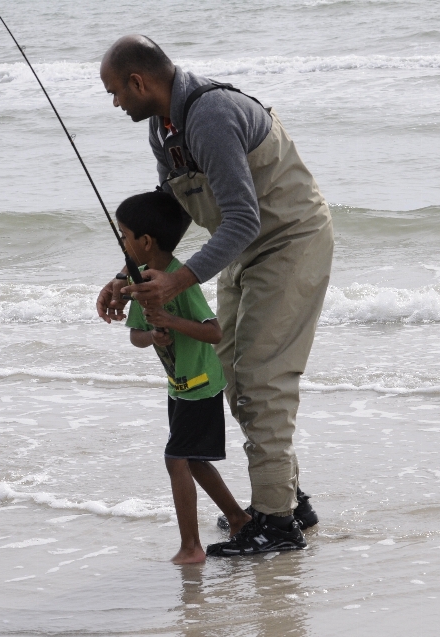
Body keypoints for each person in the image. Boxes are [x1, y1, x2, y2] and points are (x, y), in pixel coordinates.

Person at [96, 35, 333, 556]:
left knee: (261, 379)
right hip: (244, 250)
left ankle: (276, 524)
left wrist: (178, 281)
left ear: (140, 82)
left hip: (290, 241)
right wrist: (127, 275)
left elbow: (246, 216)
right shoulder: (164, 129)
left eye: (115, 92)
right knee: (230, 370)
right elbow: (168, 213)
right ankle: (291, 502)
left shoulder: (210, 115)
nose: (115, 103)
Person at [116, 190, 252, 564]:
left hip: (202, 386)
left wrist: (172, 321)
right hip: (178, 387)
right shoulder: (140, 281)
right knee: (192, 460)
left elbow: (215, 333)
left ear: (145, 242)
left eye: (123, 235)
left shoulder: (180, 281)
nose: (121, 243)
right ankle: (239, 517)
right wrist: (153, 334)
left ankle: (191, 547)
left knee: (176, 458)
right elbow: (135, 337)